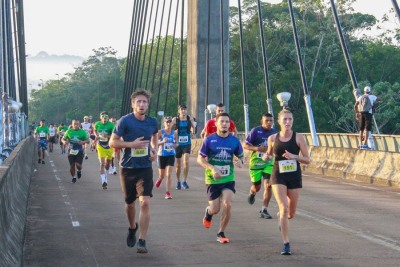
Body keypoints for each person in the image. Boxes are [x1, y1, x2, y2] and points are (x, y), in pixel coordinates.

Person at [109, 89, 158, 254]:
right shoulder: (124, 121)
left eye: (144, 102)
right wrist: (131, 145)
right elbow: (112, 142)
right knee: (130, 204)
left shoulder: (152, 122)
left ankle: (142, 240)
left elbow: (154, 137)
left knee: (144, 202)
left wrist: (154, 151)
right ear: (133, 104)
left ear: (147, 104)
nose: (142, 104)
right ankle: (132, 228)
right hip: (127, 168)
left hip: (145, 168)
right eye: (139, 102)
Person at [262, 109, 310, 255]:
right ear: (279, 122)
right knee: (284, 208)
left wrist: (294, 156)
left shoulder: (299, 137)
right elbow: (269, 154)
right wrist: (266, 157)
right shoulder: (272, 138)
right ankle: (286, 243)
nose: (288, 122)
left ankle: (282, 218)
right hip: (278, 175)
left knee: (291, 212)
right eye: (285, 120)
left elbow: (308, 160)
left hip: (294, 176)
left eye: (290, 119)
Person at [197, 112, 244, 244]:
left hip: (228, 178)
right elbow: (200, 159)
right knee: (215, 209)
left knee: (228, 204)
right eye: (222, 121)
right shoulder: (209, 140)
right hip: (213, 179)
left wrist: (241, 162)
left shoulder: (234, 141)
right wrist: (212, 168)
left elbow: (242, 157)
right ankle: (209, 212)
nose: (225, 124)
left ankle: (221, 232)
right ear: (216, 124)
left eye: (227, 122)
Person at [243, 113, 278, 219]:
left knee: (268, 185)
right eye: (266, 120)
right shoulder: (255, 131)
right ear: (261, 121)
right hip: (256, 163)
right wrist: (257, 149)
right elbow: (245, 145)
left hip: (269, 163)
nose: (269, 123)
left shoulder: (275, 133)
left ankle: (264, 209)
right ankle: (252, 192)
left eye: (271, 121)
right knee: (257, 187)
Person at [171, 104, 195, 190]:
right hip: (178, 143)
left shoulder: (189, 118)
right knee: (178, 164)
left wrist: (192, 133)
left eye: (185, 109)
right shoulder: (175, 119)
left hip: (187, 142)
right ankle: (178, 181)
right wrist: (173, 134)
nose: (183, 111)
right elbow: (169, 129)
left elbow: (193, 127)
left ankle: (184, 181)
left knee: (186, 161)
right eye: (182, 109)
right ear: (179, 110)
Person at [155, 116, 177, 199]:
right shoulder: (160, 132)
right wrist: (162, 141)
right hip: (161, 155)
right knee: (162, 175)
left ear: (172, 123)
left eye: (170, 122)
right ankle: (160, 179)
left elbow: (176, 143)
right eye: (167, 122)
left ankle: (168, 192)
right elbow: (155, 143)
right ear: (164, 123)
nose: (168, 123)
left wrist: (175, 145)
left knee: (169, 174)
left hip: (171, 155)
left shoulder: (174, 133)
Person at [94, 111, 115, 189]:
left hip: (109, 146)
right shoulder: (97, 124)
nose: (104, 118)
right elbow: (95, 130)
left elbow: (114, 135)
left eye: (106, 117)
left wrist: (107, 135)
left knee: (108, 163)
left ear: (108, 118)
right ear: (100, 117)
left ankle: (105, 174)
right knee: (102, 163)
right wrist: (96, 136)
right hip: (101, 146)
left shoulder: (111, 125)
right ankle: (103, 181)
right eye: (103, 117)